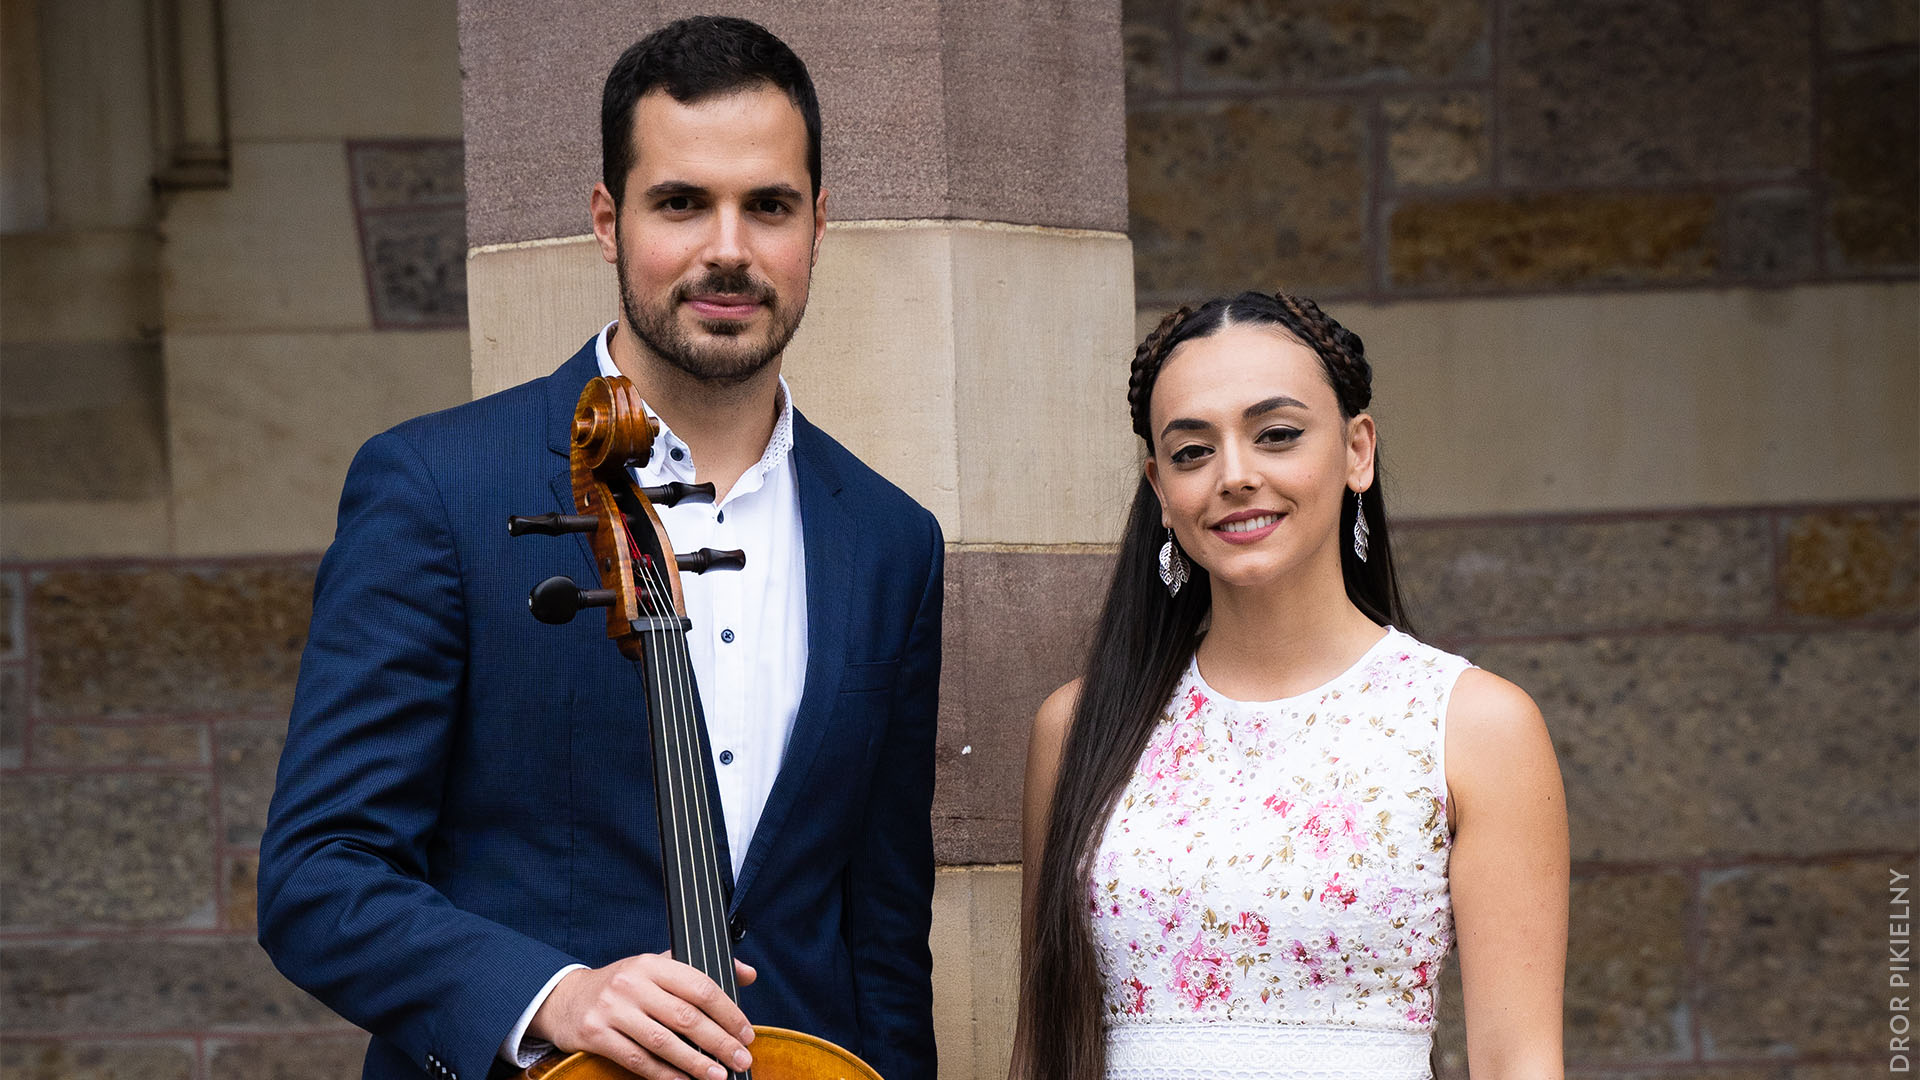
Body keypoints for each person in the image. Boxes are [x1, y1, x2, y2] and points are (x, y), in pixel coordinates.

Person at [257, 17, 941, 1080]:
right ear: (607, 222)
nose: (728, 248)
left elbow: (883, 935)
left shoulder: (893, 541)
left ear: (818, 226)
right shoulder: (438, 488)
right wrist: (556, 996)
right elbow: (319, 876)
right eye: (681, 203)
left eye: (769, 206)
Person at [1012, 292, 1568, 1080]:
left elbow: (1519, 1062)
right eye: (1192, 451)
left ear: (1357, 450)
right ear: (1160, 489)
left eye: (1276, 435)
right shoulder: (1078, 727)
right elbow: (1042, 1051)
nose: (1236, 476)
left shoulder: (1473, 725)